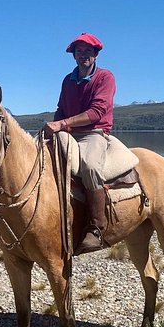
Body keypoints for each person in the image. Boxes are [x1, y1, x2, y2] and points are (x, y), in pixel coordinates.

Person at [44, 32, 116, 253]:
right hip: (68, 131)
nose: (83, 55)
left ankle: (96, 226)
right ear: (74, 55)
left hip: (94, 133)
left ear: (95, 54)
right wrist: (54, 126)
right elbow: (61, 109)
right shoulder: (68, 80)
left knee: (91, 166)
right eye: (79, 51)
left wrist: (62, 123)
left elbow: (96, 113)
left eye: (88, 51)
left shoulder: (105, 77)